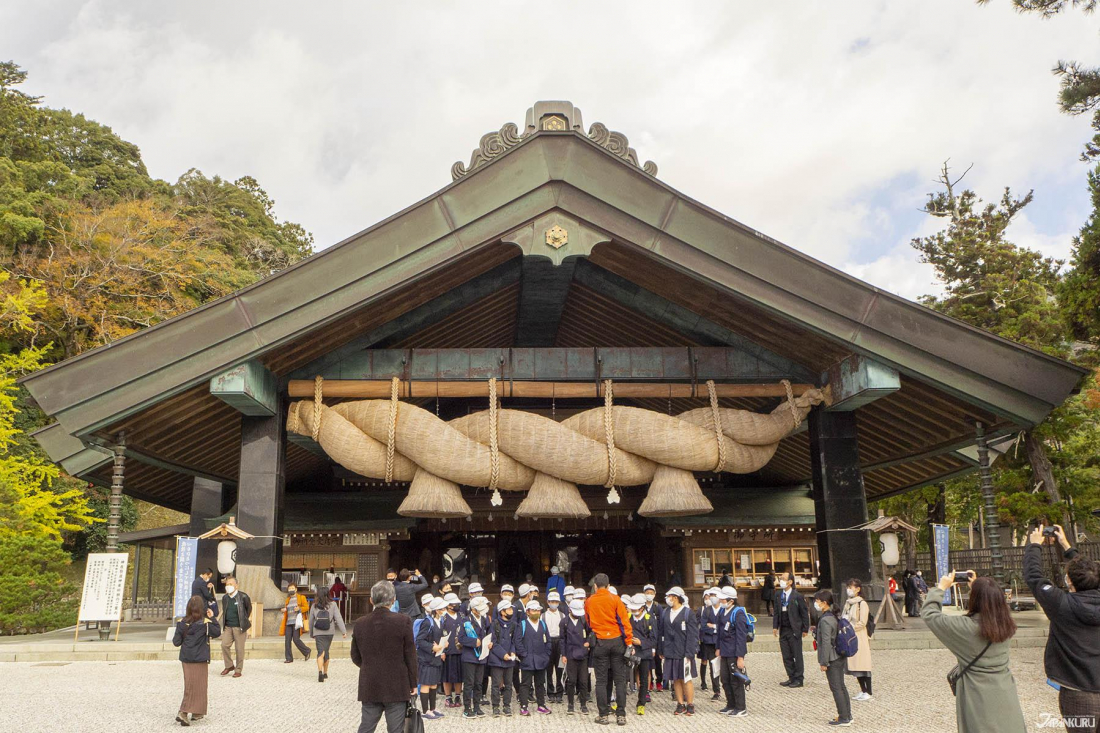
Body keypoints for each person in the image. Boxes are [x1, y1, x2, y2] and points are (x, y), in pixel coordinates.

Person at [922, 570, 1026, 733]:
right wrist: (980, 586)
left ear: (974, 600)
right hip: (1005, 691)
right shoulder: (1006, 624)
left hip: (977, 695)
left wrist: (941, 587)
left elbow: (929, 614)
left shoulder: (965, 627)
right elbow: (994, 603)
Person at [1025, 524, 1100, 730]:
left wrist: (1034, 546)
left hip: (1077, 692)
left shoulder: (1062, 605)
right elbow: (1091, 575)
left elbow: (1034, 577)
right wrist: (1066, 545)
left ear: (1068, 581)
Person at [351, 580, 418, 733]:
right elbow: (410, 655)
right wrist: (413, 682)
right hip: (397, 684)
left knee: (366, 727)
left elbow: (355, 655)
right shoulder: (403, 621)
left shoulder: (360, 623)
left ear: (371, 600)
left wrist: (369, 665)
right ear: (393, 600)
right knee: (395, 729)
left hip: (370, 683)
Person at [585, 572, 633, 726]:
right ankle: (621, 715)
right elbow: (625, 623)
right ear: (608, 585)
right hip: (617, 641)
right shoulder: (615, 599)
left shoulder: (589, 601)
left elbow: (589, 622)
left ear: (595, 586)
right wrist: (629, 642)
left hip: (600, 642)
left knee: (601, 681)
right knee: (619, 680)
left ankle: (603, 715)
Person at [172, 595, 220, 726]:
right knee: (197, 685)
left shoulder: (182, 623)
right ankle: (183, 712)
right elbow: (217, 632)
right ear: (202, 608)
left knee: (192, 685)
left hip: (187, 658)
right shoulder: (206, 624)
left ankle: (197, 711)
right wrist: (212, 617)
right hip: (200, 658)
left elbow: (176, 642)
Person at [813, 589, 852, 727]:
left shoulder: (825, 620)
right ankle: (847, 714)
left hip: (832, 658)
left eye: (817, 601)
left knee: (836, 688)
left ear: (824, 603)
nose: (815, 603)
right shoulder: (835, 615)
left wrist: (824, 662)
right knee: (841, 686)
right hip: (839, 655)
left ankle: (843, 717)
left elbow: (825, 643)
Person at [659, 586, 699, 716]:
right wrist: (661, 649)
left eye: (669, 597)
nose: (668, 599)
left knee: (686, 678)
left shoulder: (688, 613)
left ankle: (690, 703)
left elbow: (692, 635)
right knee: (675, 678)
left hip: (683, 651)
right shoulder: (665, 612)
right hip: (670, 650)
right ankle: (680, 703)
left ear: (675, 598)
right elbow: (661, 632)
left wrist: (689, 653)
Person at [772, 571, 810, 688]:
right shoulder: (778, 595)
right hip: (783, 628)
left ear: (790, 582)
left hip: (794, 629)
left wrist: (805, 629)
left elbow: (804, 613)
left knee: (797, 654)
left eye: (783, 578)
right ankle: (791, 676)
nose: (781, 580)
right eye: (780, 578)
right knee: (786, 655)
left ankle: (799, 678)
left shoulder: (797, 596)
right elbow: (776, 612)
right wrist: (775, 626)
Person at [716, 586, 748, 718]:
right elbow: (719, 632)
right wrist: (718, 648)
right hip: (724, 651)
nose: (721, 601)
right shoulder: (722, 612)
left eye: (723, 599)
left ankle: (741, 707)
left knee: (736, 680)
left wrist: (740, 656)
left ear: (731, 600)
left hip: (734, 652)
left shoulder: (738, 613)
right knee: (725, 679)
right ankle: (730, 704)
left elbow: (741, 636)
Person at [516, 599, 552, 715]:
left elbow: (548, 641)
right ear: (527, 612)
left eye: (538, 610)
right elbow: (518, 641)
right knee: (525, 684)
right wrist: (523, 655)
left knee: (540, 683)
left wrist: (546, 655)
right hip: (528, 659)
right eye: (533, 610)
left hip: (541, 659)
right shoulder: (522, 624)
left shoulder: (543, 624)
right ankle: (524, 706)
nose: (536, 612)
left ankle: (541, 705)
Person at [416, 597, 448, 720]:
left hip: (436, 657)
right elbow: (420, 640)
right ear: (436, 610)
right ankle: (425, 710)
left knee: (434, 683)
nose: (444, 610)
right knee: (426, 683)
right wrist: (431, 647)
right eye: (442, 608)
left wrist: (444, 645)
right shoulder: (427, 622)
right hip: (426, 658)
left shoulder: (441, 620)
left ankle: (433, 708)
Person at [460, 595, 492, 718]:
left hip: (481, 656)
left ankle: (477, 706)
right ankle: (467, 708)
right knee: (469, 683)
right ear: (473, 610)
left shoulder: (484, 620)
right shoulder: (466, 621)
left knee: (479, 683)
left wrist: (489, 643)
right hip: (469, 656)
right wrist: (474, 642)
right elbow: (461, 638)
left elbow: (488, 634)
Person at [842, 578, 873, 702]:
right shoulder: (848, 602)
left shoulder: (862, 603)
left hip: (858, 636)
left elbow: (862, 622)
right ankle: (863, 690)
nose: (849, 589)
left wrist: (850, 628)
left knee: (863, 665)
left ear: (858, 589)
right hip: (849, 636)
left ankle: (868, 691)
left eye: (851, 587)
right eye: (848, 587)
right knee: (855, 666)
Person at [310, 584, 348, 683]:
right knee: (326, 651)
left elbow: (311, 620)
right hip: (329, 632)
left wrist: (311, 633)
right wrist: (343, 631)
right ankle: (325, 672)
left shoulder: (314, 605)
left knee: (320, 652)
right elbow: (338, 618)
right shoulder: (333, 604)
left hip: (318, 632)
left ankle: (319, 672)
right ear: (328, 594)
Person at [488, 598, 519, 717]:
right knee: (496, 684)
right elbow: (493, 642)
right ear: (502, 612)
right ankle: (495, 706)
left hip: (509, 660)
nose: (511, 611)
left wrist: (512, 652)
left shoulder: (514, 625)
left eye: (511, 609)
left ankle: (507, 705)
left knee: (508, 684)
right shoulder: (494, 624)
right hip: (496, 659)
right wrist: (503, 654)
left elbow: (514, 641)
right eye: (509, 609)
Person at [627, 593, 657, 715]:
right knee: (624, 677)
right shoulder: (629, 618)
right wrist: (631, 645)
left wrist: (641, 642)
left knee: (644, 678)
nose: (633, 611)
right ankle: (620, 702)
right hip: (631, 650)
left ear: (642, 608)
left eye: (635, 608)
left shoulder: (650, 619)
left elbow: (654, 639)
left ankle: (641, 703)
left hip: (644, 652)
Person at [562, 598, 593, 715]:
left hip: (583, 654)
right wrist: (563, 654)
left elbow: (591, 633)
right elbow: (562, 639)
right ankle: (570, 704)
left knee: (584, 681)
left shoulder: (584, 620)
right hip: (570, 654)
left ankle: (583, 704)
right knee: (571, 680)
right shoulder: (564, 622)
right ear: (570, 610)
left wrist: (589, 642)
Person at [218, 575, 251, 678]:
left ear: (236, 585)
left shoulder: (243, 597)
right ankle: (229, 665)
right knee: (224, 645)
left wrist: (243, 622)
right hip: (228, 626)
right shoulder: (225, 598)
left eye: (231, 584)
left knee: (239, 649)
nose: (228, 586)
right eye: (227, 584)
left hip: (239, 627)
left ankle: (238, 669)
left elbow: (248, 610)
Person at [441, 593, 465, 708]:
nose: (457, 605)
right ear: (448, 605)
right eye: (454, 604)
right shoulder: (443, 617)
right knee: (447, 675)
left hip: (460, 649)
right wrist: (442, 651)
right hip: (448, 650)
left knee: (459, 674)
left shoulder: (461, 615)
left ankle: (458, 695)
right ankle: (448, 696)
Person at [698, 587, 721, 699]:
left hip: (722, 642)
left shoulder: (723, 610)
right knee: (713, 666)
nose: (712, 597)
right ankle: (716, 690)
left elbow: (726, 627)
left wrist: (714, 627)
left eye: (714, 595)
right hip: (709, 642)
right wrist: (716, 628)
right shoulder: (706, 610)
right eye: (710, 595)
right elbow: (703, 626)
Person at [280, 583, 312, 663]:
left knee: (296, 639)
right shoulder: (288, 599)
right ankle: (289, 658)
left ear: (296, 589)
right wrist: (284, 610)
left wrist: (299, 608)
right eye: (289, 588)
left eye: (292, 588)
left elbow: (307, 607)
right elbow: (287, 609)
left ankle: (307, 651)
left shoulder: (301, 597)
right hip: (288, 622)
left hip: (296, 622)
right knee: (287, 640)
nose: (291, 590)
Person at [642, 583, 664, 693]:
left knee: (658, 661)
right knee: (648, 661)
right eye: (647, 593)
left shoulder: (657, 607)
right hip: (646, 638)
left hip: (657, 637)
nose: (649, 595)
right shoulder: (642, 606)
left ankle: (659, 681)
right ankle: (649, 682)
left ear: (654, 594)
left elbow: (661, 623)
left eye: (651, 593)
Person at [544, 590, 565, 702]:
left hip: (559, 641)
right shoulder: (543, 616)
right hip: (548, 641)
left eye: (556, 601)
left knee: (560, 668)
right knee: (548, 669)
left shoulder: (562, 615)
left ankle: (560, 691)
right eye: (552, 601)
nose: (554, 603)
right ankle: (550, 691)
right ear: (547, 602)